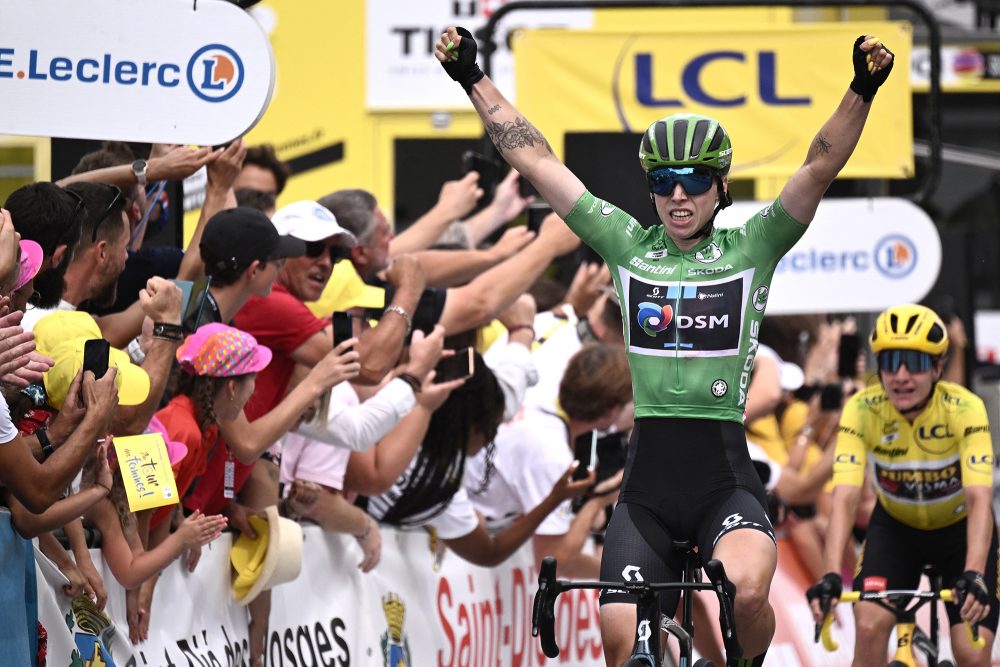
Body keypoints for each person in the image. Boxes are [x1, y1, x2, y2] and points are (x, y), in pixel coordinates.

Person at [434, 25, 895, 666]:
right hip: (647, 483)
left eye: (694, 179)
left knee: (742, 592)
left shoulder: (752, 247)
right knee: (622, 643)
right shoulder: (627, 244)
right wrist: (472, 78)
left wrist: (862, 89)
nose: (678, 194)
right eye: (664, 180)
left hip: (724, 476)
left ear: (720, 187)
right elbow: (536, 158)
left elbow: (819, 164)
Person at [807, 304, 997, 667]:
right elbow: (844, 498)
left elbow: (978, 499)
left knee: (972, 654)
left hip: (960, 533)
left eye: (916, 362)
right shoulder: (862, 409)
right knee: (868, 626)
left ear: (939, 368)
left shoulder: (965, 408)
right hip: (896, 531)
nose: (902, 375)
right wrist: (830, 573)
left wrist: (973, 573)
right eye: (891, 362)